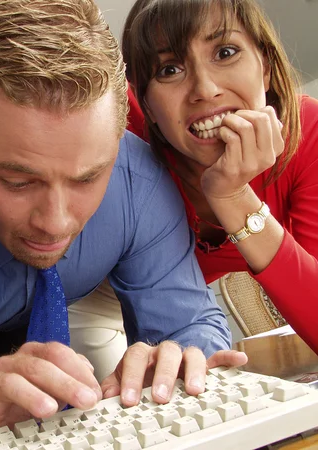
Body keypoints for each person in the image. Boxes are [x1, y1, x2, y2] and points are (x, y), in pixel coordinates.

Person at [0, 1, 246, 449]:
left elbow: (194, 322)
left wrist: (182, 356)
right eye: (17, 181)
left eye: (88, 177)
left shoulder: (142, 182)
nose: (55, 222)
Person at [120, 0, 318, 354]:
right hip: (106, 287)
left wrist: (232, 197)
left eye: (225, 52)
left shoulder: (309, 134)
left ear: (266, 66)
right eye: (169, 70)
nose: (205, 89)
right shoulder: (124, 128)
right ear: (146, 104)